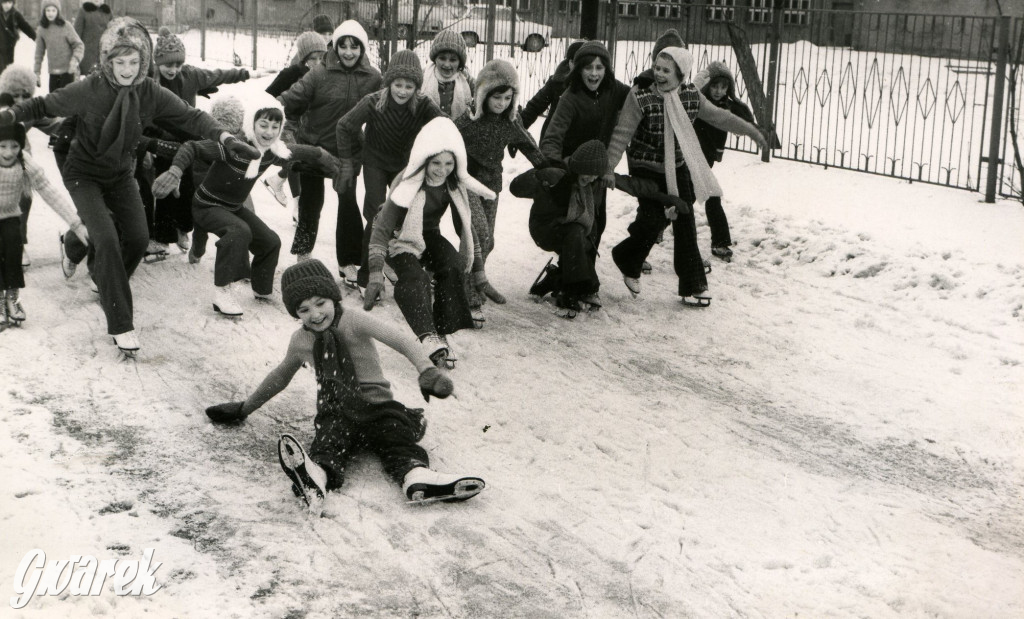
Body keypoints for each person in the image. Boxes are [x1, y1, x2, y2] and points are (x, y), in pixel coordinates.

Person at [0, 17, 260, 355]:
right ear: (107, 62)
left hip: (121, 173)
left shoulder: (149, 92)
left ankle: (90, 264)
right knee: (106, 237)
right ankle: (121, 322)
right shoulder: (89, 88)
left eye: (134, 62)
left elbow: (190, 117)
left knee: (137, 237)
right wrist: (7, 116)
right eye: (119, 62)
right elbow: (42, 104)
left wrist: (224, 135)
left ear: (143, 63)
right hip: (84, 173)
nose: (126, 69)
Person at [202, 259, 485, 516]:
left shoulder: (353, 320)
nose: (314, 314)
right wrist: (244, 408)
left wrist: (426, 369)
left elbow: (401, 339)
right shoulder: (301, 341)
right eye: (303, 309)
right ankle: (317, 478)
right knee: (329, 440)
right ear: (295, 313)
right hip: (338, 412)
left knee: (395, 436)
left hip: (378, 407)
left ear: (333, 297)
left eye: (320, 302)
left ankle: (415, 475)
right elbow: (279, 377)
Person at [152, 92, 341, 318]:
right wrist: (176, 170)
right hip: (206, 205)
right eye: (263, 125)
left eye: (274, 126)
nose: (268, 133)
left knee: (271, 241)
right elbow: (192, 147)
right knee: (237, 231)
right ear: (252, 124)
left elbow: (302, 152)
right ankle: (221, 292)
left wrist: (323, 156)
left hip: (233, 206)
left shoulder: (273, 152)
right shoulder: (235, 145)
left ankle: (261, 289)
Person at [605, 47, 766, 307]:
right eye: (657, 68)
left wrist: (750, 130)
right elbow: (621, 134)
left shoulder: (690, 95)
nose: (659, 74)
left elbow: (720, 117)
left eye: (666, 70)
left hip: (677, 164)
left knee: (686, 221)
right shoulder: (641, 96)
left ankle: (693, 285)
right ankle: (627, 257)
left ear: (680, 73)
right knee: (653, 218)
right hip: (645, 166)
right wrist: (608, 168)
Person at [364, 117, 495, 369]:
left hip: (428, 234)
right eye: (436, 162)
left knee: (452, 265)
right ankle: (426, 335)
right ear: (424, 159)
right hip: (399, 238)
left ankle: (441, 330)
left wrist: (478, 270)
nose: (441, 169)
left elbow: (465, 228)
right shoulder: (408, 181)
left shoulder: (453, 185)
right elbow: (381, 228)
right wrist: (374, 272)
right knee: (416, 278)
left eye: (448, 163)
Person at [278, 19, 381, 285]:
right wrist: (268, 114)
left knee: (348, 203)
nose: (348, 52)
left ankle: (349, 262)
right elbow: (289, 100)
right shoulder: (319, 73)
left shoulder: (372, 77)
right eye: (342, 46)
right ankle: (303, 253)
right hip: (314, 148)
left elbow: (389, 102)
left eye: (354, 47)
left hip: (347, 152)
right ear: (334, 46)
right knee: (311, 203)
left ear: (363, 49)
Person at [335, 49, 444, 289]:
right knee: (376, 214)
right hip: (375, 161)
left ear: (417, 87)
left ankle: (390, 261)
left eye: (409, 86)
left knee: (402, 215)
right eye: (398, 84)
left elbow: (444, 127)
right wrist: (346, 160)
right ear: (389, 83)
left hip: (404, 166)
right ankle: (366, 272)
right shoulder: (373, 101)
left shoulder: (424, 104)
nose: (403, 91)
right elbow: (344, 126)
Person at [535, 40, 630, 305]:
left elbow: (637, 96)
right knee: (576, 227)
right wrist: (564, 165)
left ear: (607, 70)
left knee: (596, 226)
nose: (594, 73)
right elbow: (551, 140)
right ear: (578, 70)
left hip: (597, 175)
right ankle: (577, 286)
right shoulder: (570, 98)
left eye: (600, 67)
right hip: (574, 176)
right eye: (588, 67)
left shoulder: (614, 91)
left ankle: (570, 280)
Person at [147, 26, 253, 258]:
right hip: (163, 139)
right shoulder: (151, 83)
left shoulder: (190, 74)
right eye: (168, 65)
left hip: (189, 138)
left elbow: (218, 75)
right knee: (165, 188)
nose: (173, 70)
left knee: (187, 188)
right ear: (157, 62)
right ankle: (162, 236)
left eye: (178, 64)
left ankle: (182, 227)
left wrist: (243, 74)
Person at [454, 58, 546, 322]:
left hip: (491, 185)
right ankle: (467, 289)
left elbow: (528, 144)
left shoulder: (510, 120)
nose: (502, 103)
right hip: (466, 181)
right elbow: (447, 138)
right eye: (496, 97)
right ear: (483, 94)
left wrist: (547, 170)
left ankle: (468, 280)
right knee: (476, 234)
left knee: (488, 240)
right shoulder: (469, 120)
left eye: (507, 98)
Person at [0, 117, 86, 326]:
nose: (8, 152)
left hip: (11, 217)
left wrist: (75, 224)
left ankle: (12, 298)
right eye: (2, 146)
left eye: (14, 146)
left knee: (12, 255)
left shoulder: (25, 163)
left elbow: (49, 192)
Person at [0, 64, 62, 269]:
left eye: (24, 95)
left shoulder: (30, 111)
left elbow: (56, 124)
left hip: (22, 161)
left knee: (25, 199)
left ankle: (19, 244)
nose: (19, 101)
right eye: (14, 95)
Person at [263, 30, 328, 222]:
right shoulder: (291, 73)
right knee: (294, 158)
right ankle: (298, 204)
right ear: (303, 58)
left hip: (309, 123)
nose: (317, 62)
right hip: (289, 122)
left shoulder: (325, 74)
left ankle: (276, 181)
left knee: (308, 161)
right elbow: (268, 95)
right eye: (312, 58)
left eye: (321, 58)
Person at [693, 61, 754, 263]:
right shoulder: (699, 103)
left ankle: (656, 228)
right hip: (692, 155)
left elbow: (747, 120)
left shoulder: (726, 106)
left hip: (706, 158)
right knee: (711, 196)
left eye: (723, 87)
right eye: (714, 86)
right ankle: (720, 242)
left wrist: (733, 100)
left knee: (685, 198)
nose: (718, 91)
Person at [517, 39, 584, 142]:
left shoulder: (596, 86)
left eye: (585, 63)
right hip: (552, 140)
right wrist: (517, 132)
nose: (581, 68)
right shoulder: (557, 82)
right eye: (576, 62)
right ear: (570, 62)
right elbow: (535, 106)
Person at [422, 29, 474, 118]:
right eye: (442, 58)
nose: (447, 64)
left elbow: (482, 91)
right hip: (429, 127)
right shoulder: (424, 75)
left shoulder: (465, 78)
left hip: (457, 127)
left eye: (453, 60)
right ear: (435, 59)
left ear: (460, 62)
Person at [33, 0, 83, 93]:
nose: (50, 13)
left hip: (68, 72)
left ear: (58, 11)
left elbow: (79, 45)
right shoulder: (42, 29)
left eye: (53, 10)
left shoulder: (66, 26)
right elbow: (38, 54)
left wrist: (75, 60)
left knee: (67, 102)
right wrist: (36, 72)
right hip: (53, 73)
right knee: (53, 102)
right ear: (44, 12)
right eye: (48, 10)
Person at [73, 0, 110, 76]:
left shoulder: (107, 11)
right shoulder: (84, 10)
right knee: (90, 80)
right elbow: (76, 34)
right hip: (88, 55)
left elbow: (113, 31)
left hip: (103, 53)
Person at [0, 0, 34, 74]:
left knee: (8, 69)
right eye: (5, 2)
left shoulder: (15, 14)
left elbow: (26, 27)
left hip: (9, 47)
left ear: (13, 3)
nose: (7, 5)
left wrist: (37, 38)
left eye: (9, 3)